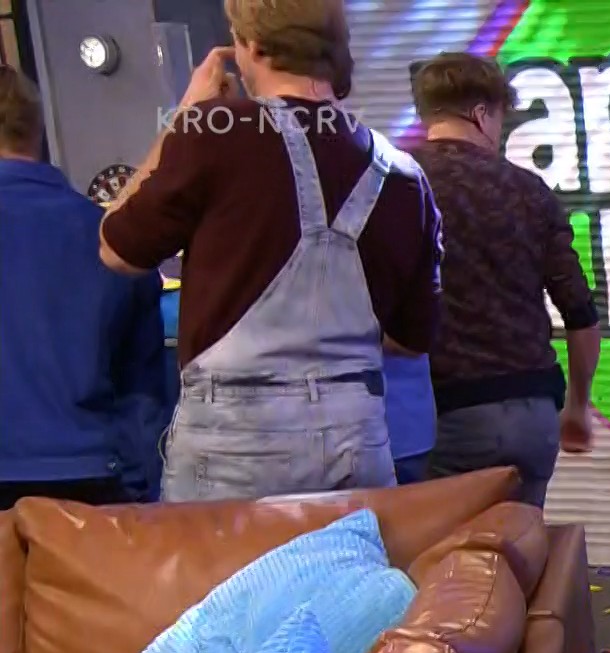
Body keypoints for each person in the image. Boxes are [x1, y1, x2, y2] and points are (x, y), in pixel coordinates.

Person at [99, 0, 442, 503]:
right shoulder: (405, 177)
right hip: (356, 442)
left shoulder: (211, 133)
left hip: (231, 442)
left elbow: (116, 248)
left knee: (223, 561)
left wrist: (184, 117)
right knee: (347, 560)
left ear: (254, 45)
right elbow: (412, 340)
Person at [410, 51, 600, 507]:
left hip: (441, 412)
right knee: (520, 541)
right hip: (532, 412)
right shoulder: (530, 190)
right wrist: (577, 406)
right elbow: (580, 313)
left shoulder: (398, 182)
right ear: (482, 114)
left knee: (444, 547)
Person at [0, 68, 173, 510]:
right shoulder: (113, 240)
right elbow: (143, 390)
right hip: (93, 479)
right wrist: (136, 491)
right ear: (37, 131)